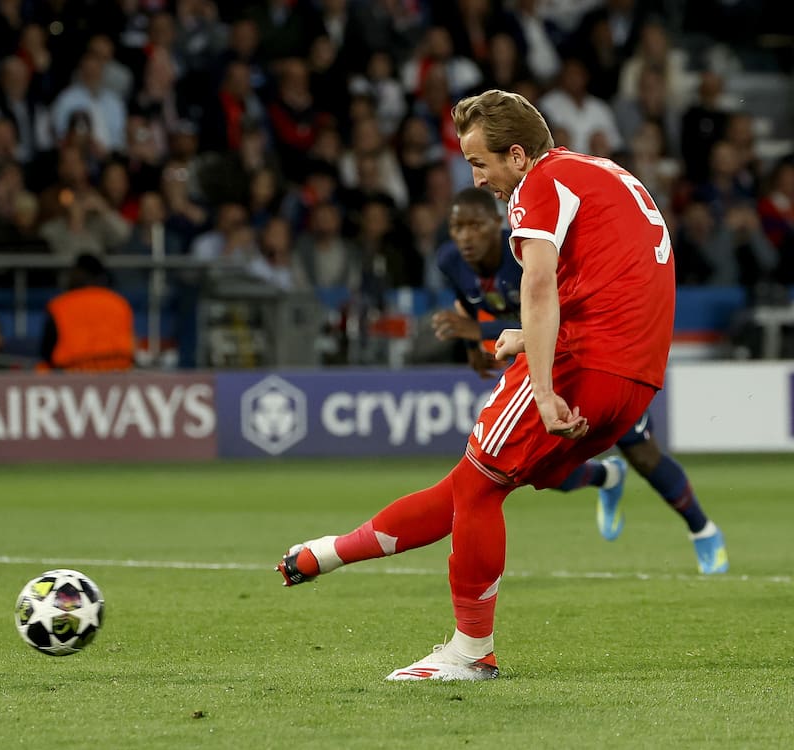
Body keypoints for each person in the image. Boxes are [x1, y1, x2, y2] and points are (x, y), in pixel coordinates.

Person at [277, 89, 678, 682]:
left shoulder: (539, 184)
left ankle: (471, 651)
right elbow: (614, 272)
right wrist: (529, 335)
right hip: (636, 378)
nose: (478, 178)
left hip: (582, 366)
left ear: (517, 155)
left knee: (480, 491)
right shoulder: (598, 172)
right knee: (472, 486)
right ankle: (329, 552)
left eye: (479, 162)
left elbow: (538, 284)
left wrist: (542, 386)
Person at [431, 187, 728, 574]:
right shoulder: (450, 261)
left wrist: (478, 329)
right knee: (530, 466)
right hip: (541, 371)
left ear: (497, 224)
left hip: (589, 357)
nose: (465, 236)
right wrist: (474, 348)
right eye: (457, 226)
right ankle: (605, 476)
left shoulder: (524, 254)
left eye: (475, 225)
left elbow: (551, 314)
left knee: (642, 454)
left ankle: (703, 530)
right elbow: (469, 301)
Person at [39, 253, 135, 372]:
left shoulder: (60, 305)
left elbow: (47, 351)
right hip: (119, 373)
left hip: (74, 374)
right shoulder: (119, 302)